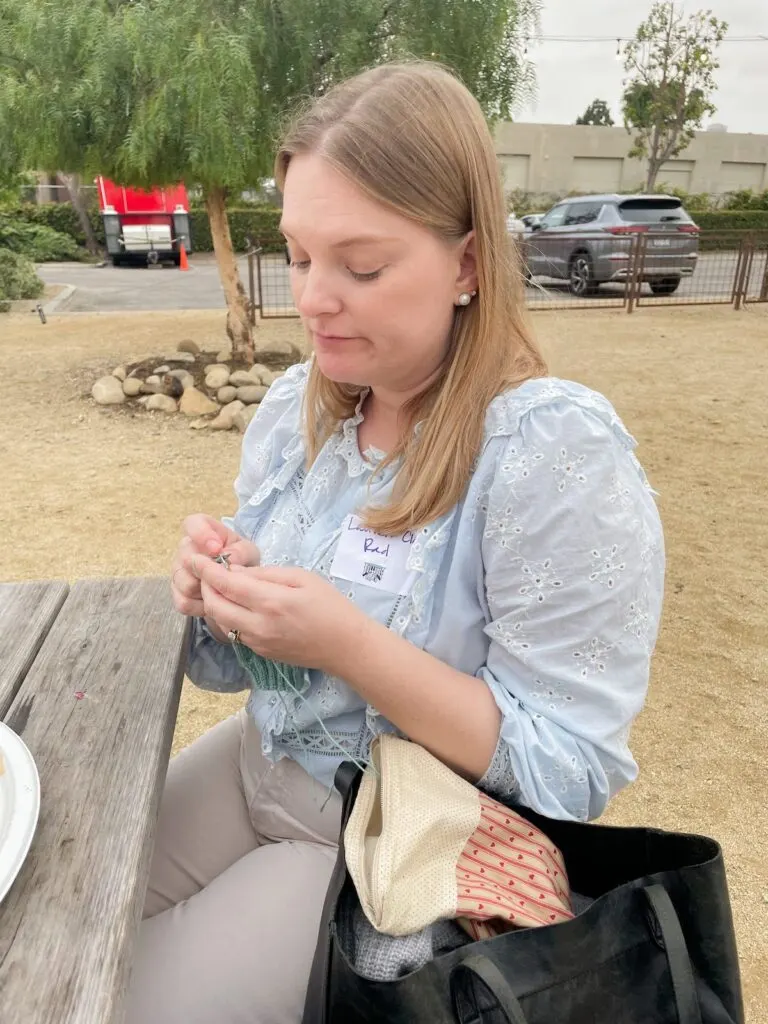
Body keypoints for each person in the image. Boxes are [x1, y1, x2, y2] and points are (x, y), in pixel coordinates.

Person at [124, 60, 664, 1024]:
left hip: (388, 836)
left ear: (465, 265)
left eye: (361, 267)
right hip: (258, 759)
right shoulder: (304, 411)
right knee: (66, 903)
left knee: (114, 999)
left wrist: (348, 645)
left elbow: (568, 770)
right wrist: (219, 592)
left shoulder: (546, 452)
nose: (315, 299)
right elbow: (232, 671)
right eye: (297, 256)